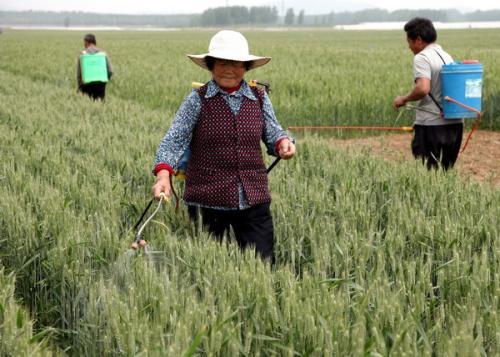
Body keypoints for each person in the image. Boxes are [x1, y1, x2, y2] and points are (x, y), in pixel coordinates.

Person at [152, 30, 295, 263]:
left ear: (246, 67)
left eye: (236, 63)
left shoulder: (259, 97)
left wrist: (283, 143)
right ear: (210, 65)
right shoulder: (197, 99)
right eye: (222, 62)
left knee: (262, 265)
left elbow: (273, 130)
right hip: (208, 203)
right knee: (207, 267)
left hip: (253, 200)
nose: (230, 68)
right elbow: (174, 140)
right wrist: (163, 176)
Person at [393, 18, 463, 170]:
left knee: (427, 175)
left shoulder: (422, 57)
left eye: (409, 41)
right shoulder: (447, 56)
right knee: (444, 174)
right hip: (455, 125)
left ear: (418, 40)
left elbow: (423, 88)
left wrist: (403, 99)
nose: (409, 47)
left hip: (432, 126)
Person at [76, 34, 113, 101]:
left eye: (84, 43)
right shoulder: (103, 54)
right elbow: (110, 71)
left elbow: (79, 74)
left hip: (86, 85)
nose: (84, 45)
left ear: (87, 42)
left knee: (87, 105)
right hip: (100, 85)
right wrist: (104, 80)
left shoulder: (82, 55)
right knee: (100, 105)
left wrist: (79, 87)